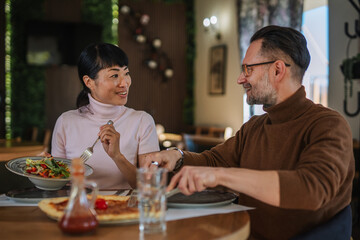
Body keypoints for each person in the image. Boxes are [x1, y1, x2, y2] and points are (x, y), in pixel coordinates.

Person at [143, 25, 355, 239]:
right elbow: (215, 161)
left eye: (248, 69)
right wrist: (177, 157)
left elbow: (312, 189)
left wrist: (221, 176)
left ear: (277, 70)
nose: (240, 79)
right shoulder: (254, 127)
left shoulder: (328, 124)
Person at [51, 43, 159, 189]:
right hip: (81, 207)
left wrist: (117, 156)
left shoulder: (142, 121)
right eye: (114, 75)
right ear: (89, 82)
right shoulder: (66, 122)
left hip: (125, 209)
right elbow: (58, 184)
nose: (124, 83)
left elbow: (150, 186)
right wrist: (47, 169)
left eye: (126, 73)